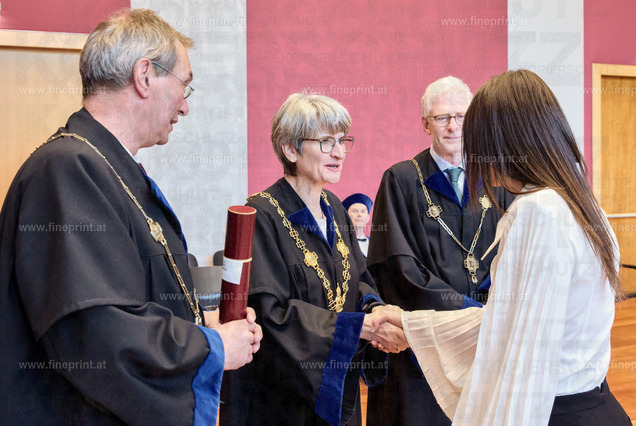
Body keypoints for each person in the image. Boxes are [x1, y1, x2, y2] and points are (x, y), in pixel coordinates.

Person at [0, 9, 261, 425]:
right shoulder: (68, 169)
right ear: (144, 76)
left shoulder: (106, 168)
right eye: (184, 85)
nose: (185, 107)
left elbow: (134, 298)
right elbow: (99, 332)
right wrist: (210, 347)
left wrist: (204, 323)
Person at [371, 69, 631, 425]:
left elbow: (522, 359)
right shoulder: (579, 203)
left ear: (504, 141)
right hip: (593, 404)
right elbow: (510, 322)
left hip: (555, 411)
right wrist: (411, 324)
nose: (472, 149)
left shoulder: (535, 211)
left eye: (475, 134)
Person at [219, 93, 406, 426]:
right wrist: (354, 328)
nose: (339, 152)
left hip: (338, 382)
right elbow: (270, 315)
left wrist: (375, 313)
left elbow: (359, 280)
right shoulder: (262, 215)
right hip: (284, 399)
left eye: (342, 141)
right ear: (290, 149)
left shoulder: (336, 209)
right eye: (325, 142)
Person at [365, 76, 514, 426]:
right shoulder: (401, 180)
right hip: (424, 335)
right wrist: (464, 309)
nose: (453, 126)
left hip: (483, 334)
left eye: (461, 116)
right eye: (442, 117)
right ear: (425, 124)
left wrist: (490, 308)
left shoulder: (497, 179)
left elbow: (511, 252)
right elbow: (397, 264)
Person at [342, 193, 373, 257]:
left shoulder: (375, 244)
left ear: (368, 218)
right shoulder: (341, 244)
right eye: (354, 211)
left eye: (363, 211)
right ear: (346, 217)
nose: (359, 215)